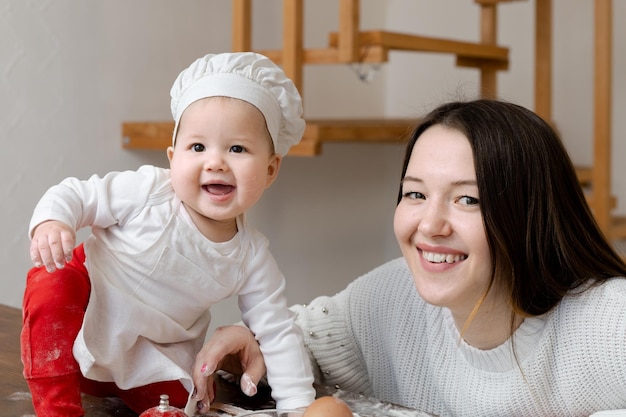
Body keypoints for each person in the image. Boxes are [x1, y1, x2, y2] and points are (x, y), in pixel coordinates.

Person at [191, 99, 626, 416]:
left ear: (529, 212)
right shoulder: (392, 295)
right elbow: (304, 341)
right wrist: (259, 348)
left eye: (468, 200)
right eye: (415, 194)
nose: (430, 225)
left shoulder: (610, 325)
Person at [22, 52, 315, 417]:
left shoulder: (252, 257)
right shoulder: (148, 191)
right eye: (198, 147)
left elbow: (277, 333)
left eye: (237, 148)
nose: (215, 161)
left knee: (184, 404)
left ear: (271, 169)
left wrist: (299, 406)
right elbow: (78, 194)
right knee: (53, 282)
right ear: (173, 158)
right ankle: (58, 409)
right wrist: (54, 222)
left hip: (149, 352)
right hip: (82, 313)